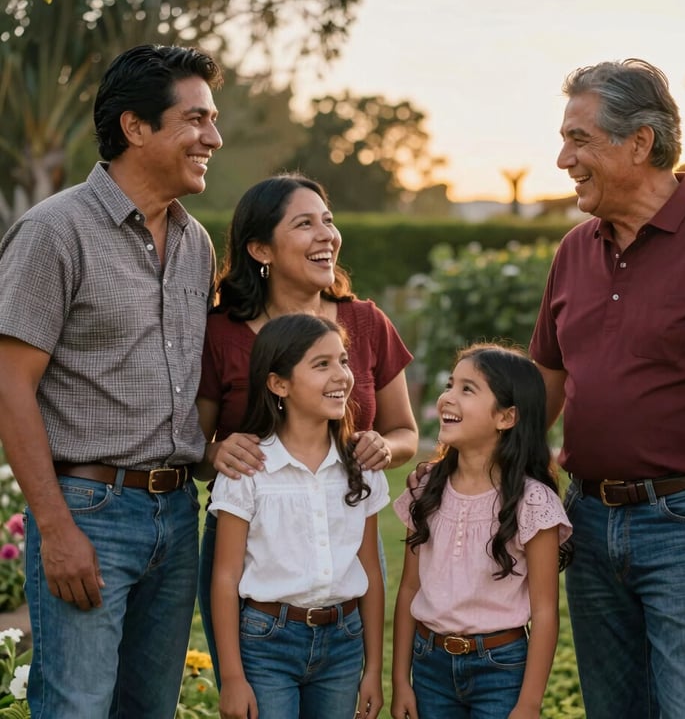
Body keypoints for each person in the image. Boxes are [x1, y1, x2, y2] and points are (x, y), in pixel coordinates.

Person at [529, 58, 685, 718]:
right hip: (588, 520)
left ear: (639, 142)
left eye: (579, 139)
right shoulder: (574, 251)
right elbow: (538, 393)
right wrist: (514, 484)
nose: (562, 158)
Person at [0, 44, 223, 718]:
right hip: (89, 512)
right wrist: (55, 527)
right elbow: (10, 385)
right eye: (196, 120)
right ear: (135, 127)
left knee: (148, 710)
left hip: (177, 514)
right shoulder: (53, 232)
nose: (213, 137)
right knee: (76, 708)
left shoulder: (196, 244)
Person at [196, 173, 419, 680]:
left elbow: (406, 432)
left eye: (329, 221)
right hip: (252, 556)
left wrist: (384, 445)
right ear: (260, 248)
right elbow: (195, 444)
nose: (327, 235)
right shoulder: (220, 333)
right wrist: (214, 454)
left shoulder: (365, 322)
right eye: (304, 224)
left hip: (341, 548)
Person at [210, 313, 388, 719]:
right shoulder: (248, 469)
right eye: (321, 364)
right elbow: (224, 577)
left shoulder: (362, 467)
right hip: (267, 643)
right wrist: (234, 679)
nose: (341, 375)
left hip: (344, 644)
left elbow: (371, 571)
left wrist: (373, 669)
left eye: (343, 361)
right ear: (279, 383)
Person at [391, 344, 572, 719]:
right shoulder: (425, 491)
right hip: (429, 667)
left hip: (502, 671)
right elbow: (410, 588)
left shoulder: (533, 503)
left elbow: (544, 611)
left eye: (467, 389)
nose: (447, 398)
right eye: (449, 384)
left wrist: (529, 704)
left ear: (506, 417)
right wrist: (401, 681)